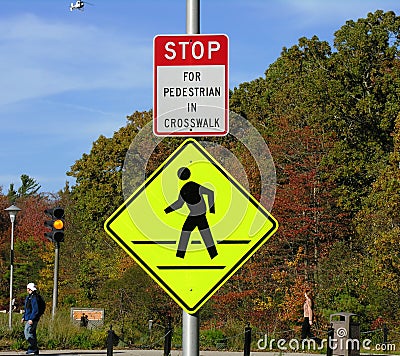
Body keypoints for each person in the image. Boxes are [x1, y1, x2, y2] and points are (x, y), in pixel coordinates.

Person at [164, 167, 218, 259]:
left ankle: (213, 256)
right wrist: (166, 211)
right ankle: (180, 256)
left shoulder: (194, 186)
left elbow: (210, 193)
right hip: (193, 215)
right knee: (189, 233)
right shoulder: (184, 190)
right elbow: (179, 204)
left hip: (200, 215)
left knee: (203, 234)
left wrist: (211, 209)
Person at [21, 283, 41, 355]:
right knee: (32, 333)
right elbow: (27, 309)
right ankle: (34, 349)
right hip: (30, 318)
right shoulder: (29, 297)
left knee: (27, 332)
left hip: (32, 319)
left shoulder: (34, 297)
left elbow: (35, 310)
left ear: (29, 289)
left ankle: (33, 348)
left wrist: (31, 319)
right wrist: (24, 317)